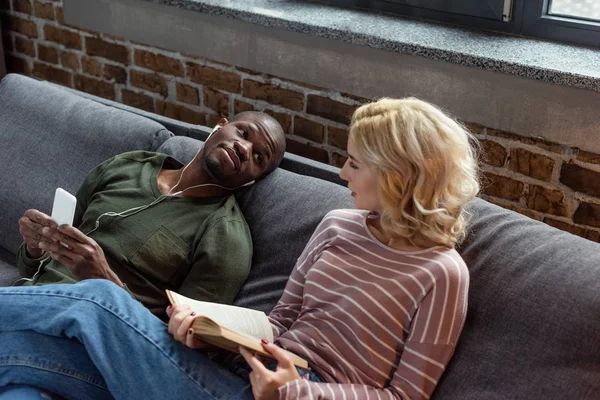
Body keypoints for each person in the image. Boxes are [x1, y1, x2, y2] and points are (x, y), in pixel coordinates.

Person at [0, 97, 480, 399]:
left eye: (355, 163)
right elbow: (279, 322)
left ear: (396, 174)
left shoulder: (442, 274)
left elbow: (405, 395)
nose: (342, 175)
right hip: (246, 369)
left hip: (292, 391)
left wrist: (294, 392)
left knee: (99, 299)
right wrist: (212, 331)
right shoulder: (338, 225)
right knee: (21, 380)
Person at [15, 111, 286, 317]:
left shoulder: (226, 239)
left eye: (259, 157)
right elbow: (44, 263)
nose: (244, 148)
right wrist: (34, 247)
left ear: (253, 180)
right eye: (243, 133)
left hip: (90, 327)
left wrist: (105, 282)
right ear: (220, 126)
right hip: (30, 298)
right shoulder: (129, 166)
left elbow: (176, 349)